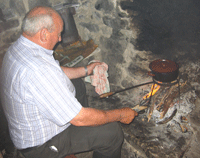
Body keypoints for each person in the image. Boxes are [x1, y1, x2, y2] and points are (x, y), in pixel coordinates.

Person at [0, 6, 138, 158]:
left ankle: (85, 129)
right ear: (44, 34)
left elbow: (57, 72)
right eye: (58, 34)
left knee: (76, 84)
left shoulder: (21, 48)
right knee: (112, 132)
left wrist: (86, 70)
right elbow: (79, 117)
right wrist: (119, 114)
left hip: (29, 124)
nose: (60, 39)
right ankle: (81, 135)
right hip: (41, 146)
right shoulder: (38, 70)